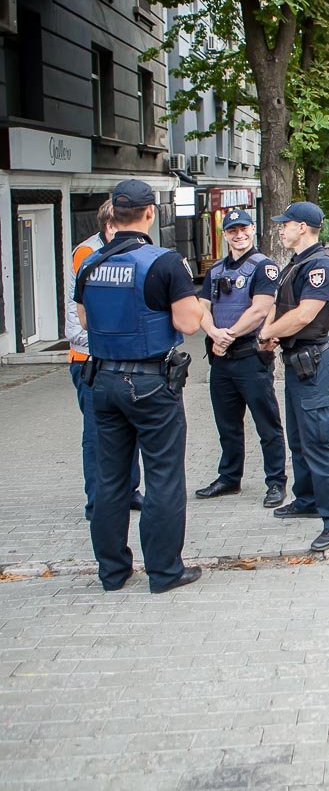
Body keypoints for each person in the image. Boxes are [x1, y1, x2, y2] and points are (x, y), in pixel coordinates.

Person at [74, 179, 205, 594]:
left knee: (111, 480)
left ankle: (112, 573)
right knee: (163, 476)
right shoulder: (165, 263)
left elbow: (83, 322)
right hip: (150, 384)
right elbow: (188, 323)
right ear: (151, 213)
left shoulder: (91, 263)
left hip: (103, 380)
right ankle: (165, 572)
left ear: (113, 214)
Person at [257, 201, 329, 552]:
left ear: (302, 227)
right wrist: (267, 332)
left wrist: (268, 335)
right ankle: (309, 498)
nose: (281, 229)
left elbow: (303, 316)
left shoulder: (320, 265)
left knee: (318, 442)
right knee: (299, 438)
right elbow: (277, 307)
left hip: (312, 362)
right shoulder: (295, 263)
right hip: (296, 361)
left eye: (285, 224)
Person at [194, 209, 287, 507]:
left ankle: (276, 482)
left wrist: (228, 335)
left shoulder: (264, 268)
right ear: (225, 234)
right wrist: (212, 332)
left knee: (267, 424)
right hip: (221, 359)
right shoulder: (216, 270)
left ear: (252, 230)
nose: (239, 234)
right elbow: (201, 307)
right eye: (232, 230)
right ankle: (229, 478)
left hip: (250, 356)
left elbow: (260, 309)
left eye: (243, 228)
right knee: (227, 425)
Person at [67, 201, 143, 521]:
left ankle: (128, 491)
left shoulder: (128, 251)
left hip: (119, 358)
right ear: (111, 226)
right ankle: (97, 501)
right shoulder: (89, 256)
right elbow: (81, 324)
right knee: (98, 434)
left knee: (129, 427)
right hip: (90, 360)